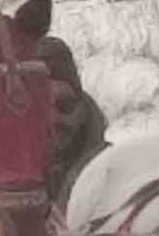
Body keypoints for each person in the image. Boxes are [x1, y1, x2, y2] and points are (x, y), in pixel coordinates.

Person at [37, 34, 109, 205]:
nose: (53, 118)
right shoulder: (0, 192)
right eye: (40, 108)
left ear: (83, 108)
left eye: (65, 105)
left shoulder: (114, 174)